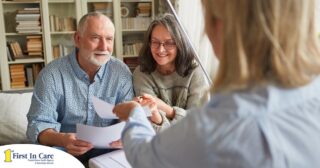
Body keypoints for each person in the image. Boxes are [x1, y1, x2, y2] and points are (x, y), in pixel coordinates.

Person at [113, 0, 320, 167]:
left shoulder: (217, 125)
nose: (160, 49)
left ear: (220, 25)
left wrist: (135, 114)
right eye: (155, 42)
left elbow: (145, 157)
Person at [26, 12, 134, 163]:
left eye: (109, 39)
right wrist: (63, 139)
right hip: (64, 150)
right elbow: (38, 125)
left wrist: (127, 133)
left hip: (109, 153)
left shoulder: (121, 72)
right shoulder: (51, 74)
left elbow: (131, 117)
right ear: (77, 39)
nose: (104, 47)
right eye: (95, 38)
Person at [133, 14, 209, 132]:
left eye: (169, 43)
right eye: (155, 42)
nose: (160, 49)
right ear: (149, 44)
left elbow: (199, 122)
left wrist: (167, 110)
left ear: (180, 44)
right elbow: (153, 128)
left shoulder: (195, 71)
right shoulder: (141, 73)